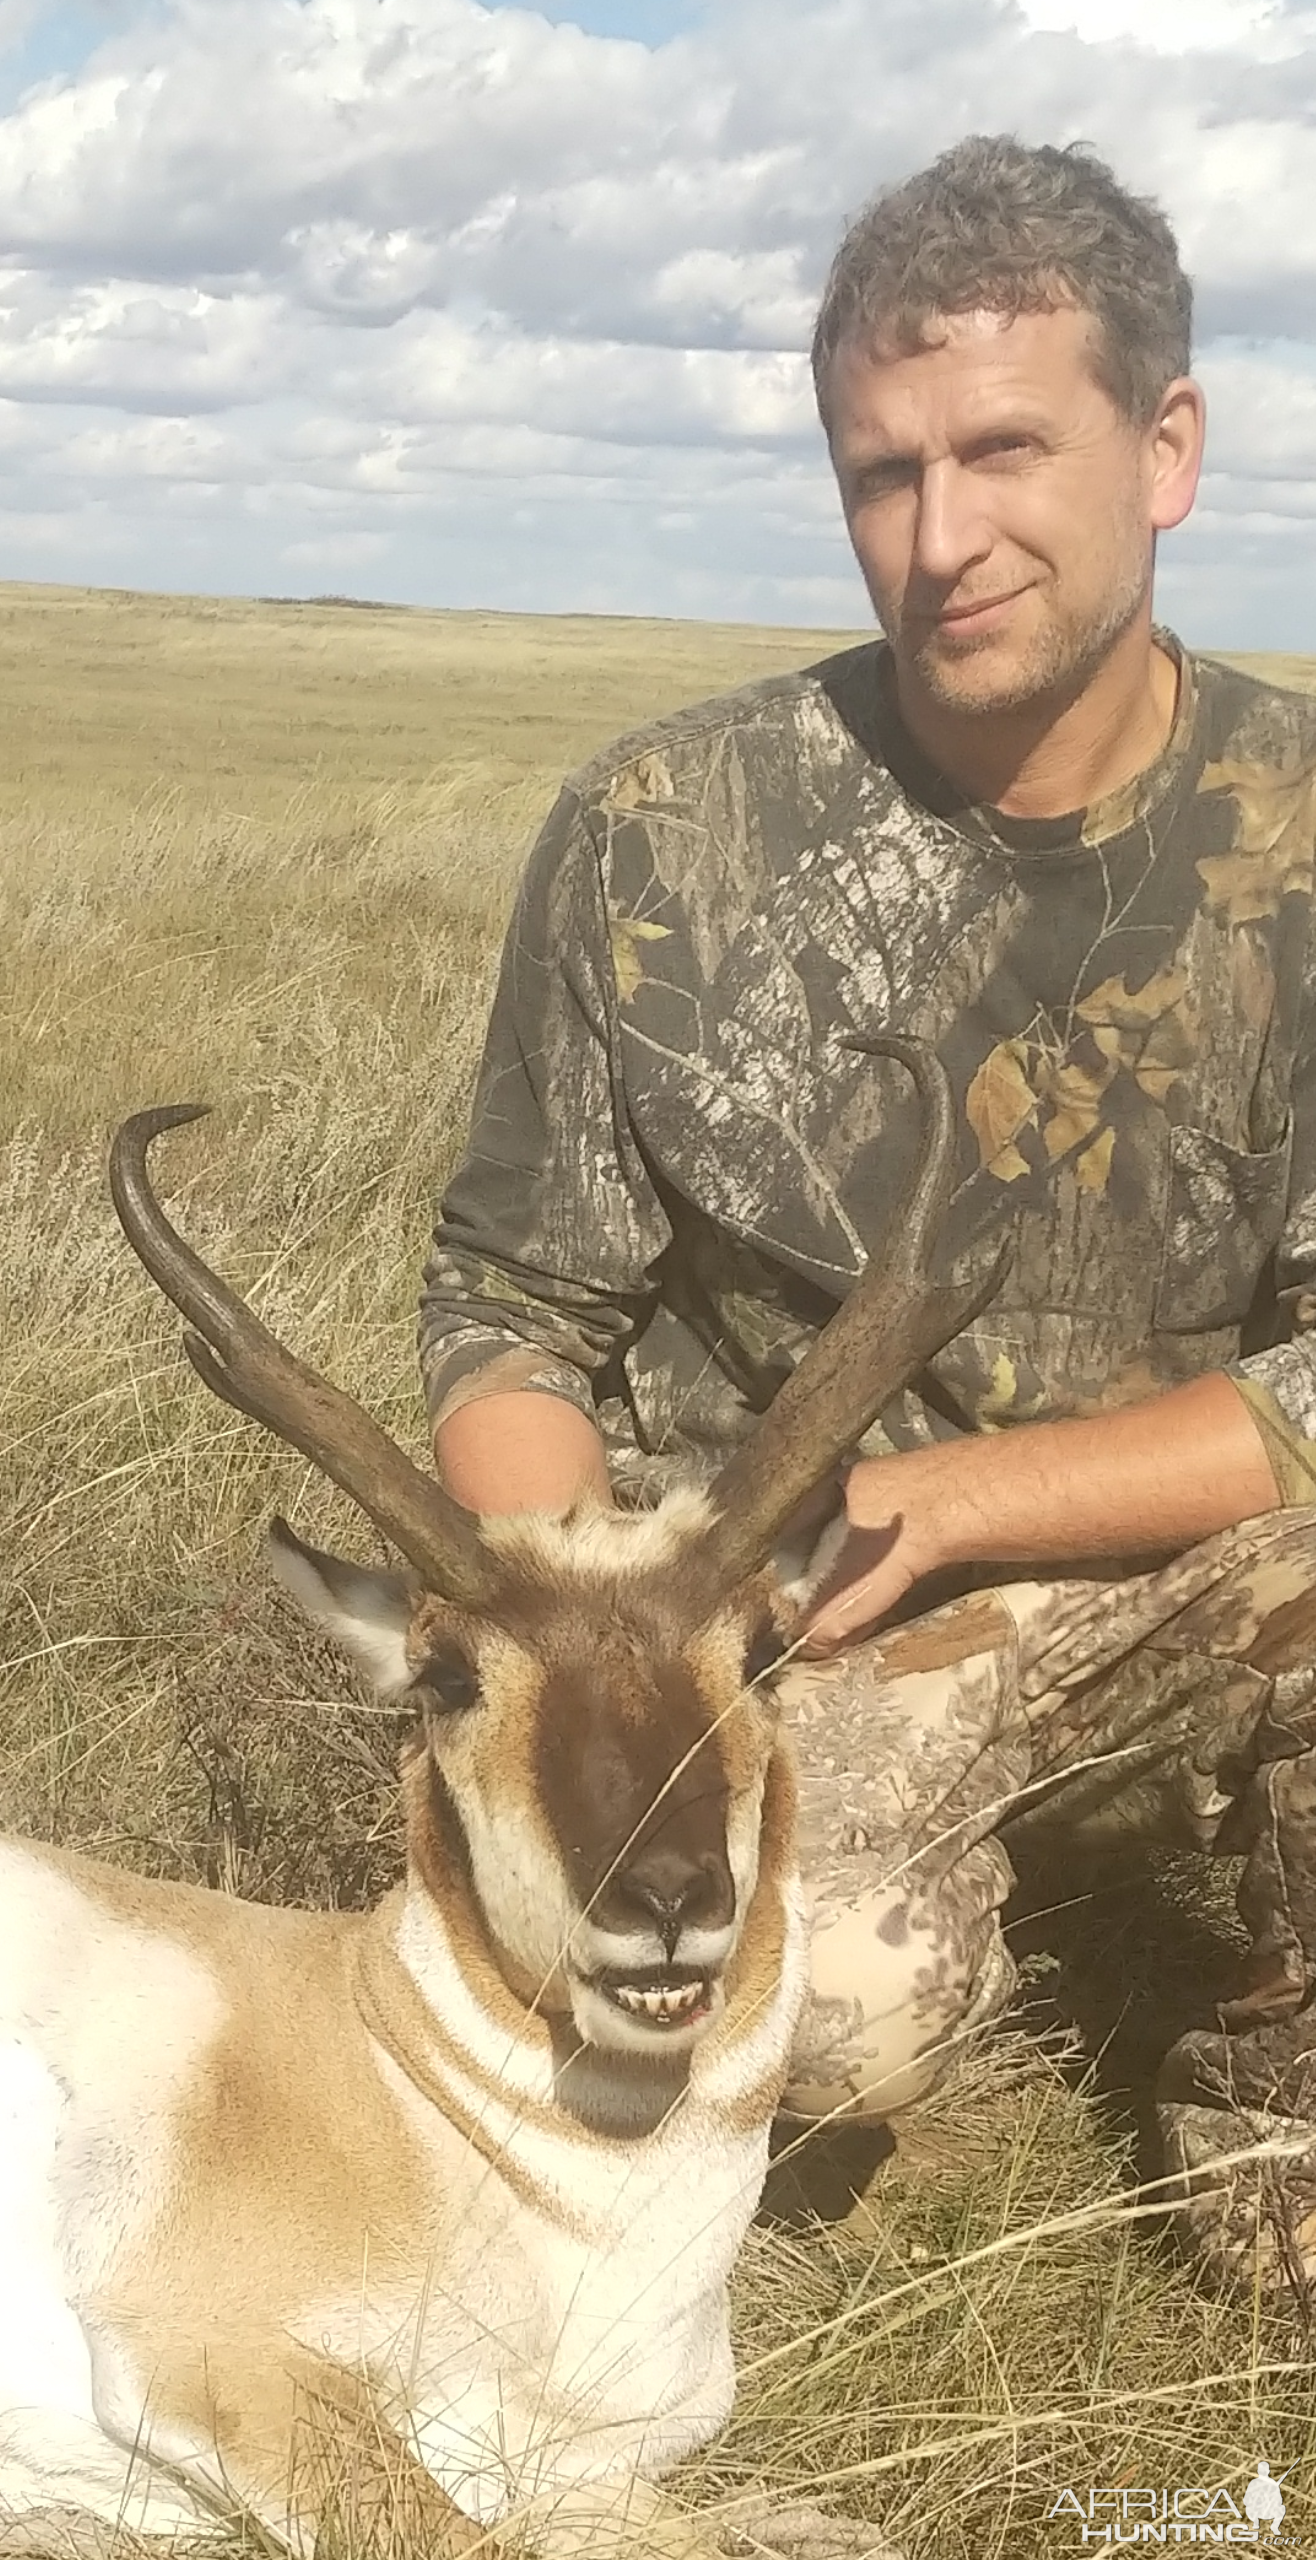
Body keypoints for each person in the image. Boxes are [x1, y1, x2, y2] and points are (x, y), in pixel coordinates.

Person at [418, 134, 1316, 2290]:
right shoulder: (661, 827)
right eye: (879, 473)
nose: (939, 537)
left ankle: (1261, 2090)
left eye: (1004, 448)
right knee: (827, 2014)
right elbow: (510, 1301)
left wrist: (979, 1491)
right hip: (772, 1609)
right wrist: (584, 1622)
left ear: (1165, 444)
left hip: (1195, 1569)